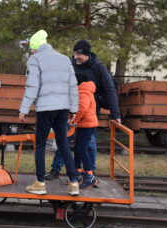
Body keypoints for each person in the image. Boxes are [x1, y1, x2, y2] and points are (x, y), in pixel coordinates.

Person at [45, 39, 121, 180]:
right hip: (69, 111)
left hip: (89, 113)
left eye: (79, 54)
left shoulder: (98, 67)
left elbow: (110, 89)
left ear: (87, 54)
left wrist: (115, 113)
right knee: (64, 140)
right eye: (74, 53)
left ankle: (90, 172)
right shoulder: (69, 63)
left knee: (88, 145)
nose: (76, 57)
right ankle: (55, 169)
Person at [19, 29, 80, 196]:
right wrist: (74, 108)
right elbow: (72, 86)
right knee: (63, 144)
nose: (30, 50)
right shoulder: (64, 59)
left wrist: (24, 109)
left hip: (45, 109)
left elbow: (32, 85)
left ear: (35, 46)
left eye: (31, 47)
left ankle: (40, 183)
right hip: (63, 109)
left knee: (40, 145)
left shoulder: (35, 59)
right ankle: (74, 183)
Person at [71, 73, 99, 189]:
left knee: (82, 150)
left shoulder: (83, 91)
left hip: (87, 125)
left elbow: (82, 108)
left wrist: (74, 121)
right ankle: (78, 174)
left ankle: (89, 176)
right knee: (77, 149)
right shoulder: (85, 90)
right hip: (85, 124)